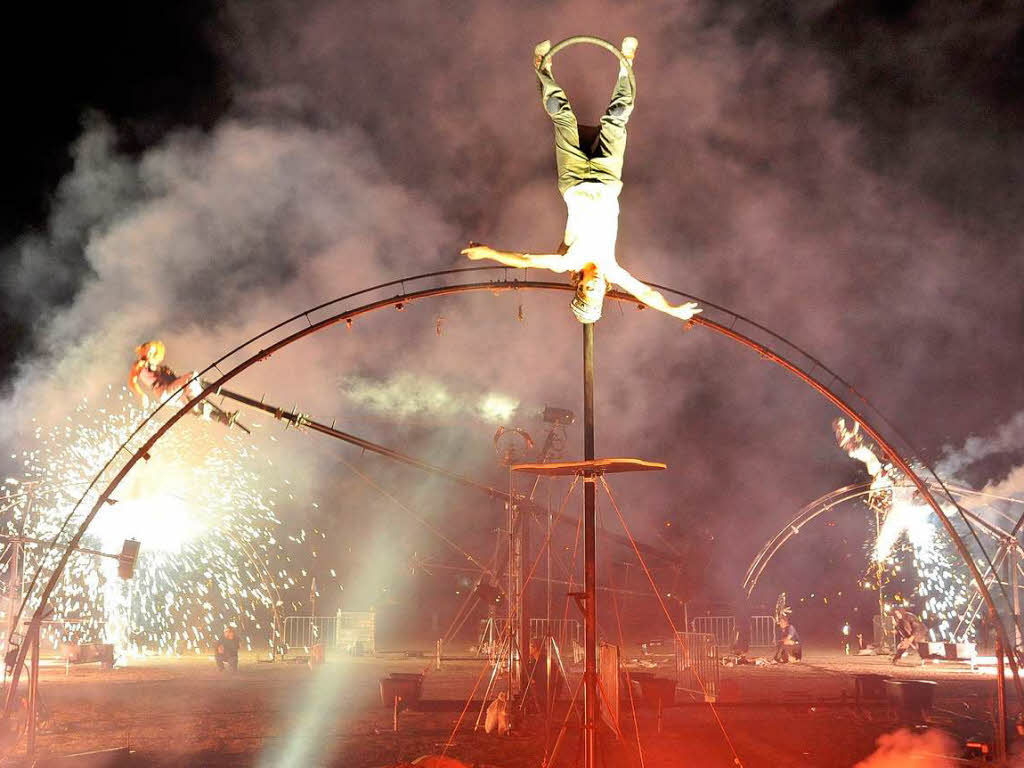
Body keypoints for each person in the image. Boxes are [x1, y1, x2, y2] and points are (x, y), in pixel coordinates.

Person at [462, 37, 701, 325]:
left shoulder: (568, 262)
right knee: (617, 120)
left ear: (579, 283)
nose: (595, 283)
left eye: (588, 287)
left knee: (563, 118)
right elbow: (645, 292)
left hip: (574, 180)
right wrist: (673, 310)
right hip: (607, 178)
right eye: (597, 290)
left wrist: (488, 252)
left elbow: (525, 260)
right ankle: (627, 66)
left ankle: (543, 68)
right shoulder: (612, 269)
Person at [129, 340, 236, 426]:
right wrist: (141, 394)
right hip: (164, 392)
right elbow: (132, 382)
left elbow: (175, 380)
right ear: (142, 350)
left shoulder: (158, 367)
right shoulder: (140, 364)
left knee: (194, 408)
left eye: (152, 352)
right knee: (192, 376)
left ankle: (221, 418)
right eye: (148, 350)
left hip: (171, 393)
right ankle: (199, 398)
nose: (150, 353)